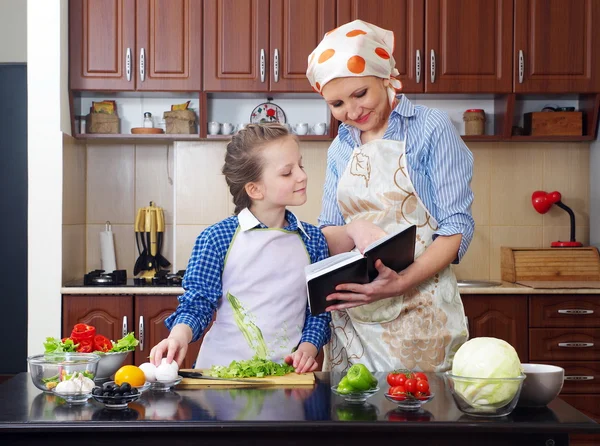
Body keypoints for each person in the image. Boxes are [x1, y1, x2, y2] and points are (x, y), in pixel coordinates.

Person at [306, 20, 474, 373]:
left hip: (420, 315)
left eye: (360, 93)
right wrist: (355, 228)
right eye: (337, 103)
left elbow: (456, 228)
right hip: (353, 325)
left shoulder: (430, 127)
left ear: (385, 77)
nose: (351, 112)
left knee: (418, 418)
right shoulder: (340, 146)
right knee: (353, 419)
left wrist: (400, 283)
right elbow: (329, 234)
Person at [149, 124, 331, 373]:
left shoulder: (313, 240)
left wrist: (308, 350)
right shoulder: (216, 238)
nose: (302, 176)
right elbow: (199, 303)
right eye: (287, 172)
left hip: (286, 379)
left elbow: (318, 313)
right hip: (220, 376)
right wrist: (178, 336)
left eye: (301, 165)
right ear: (254, 189)